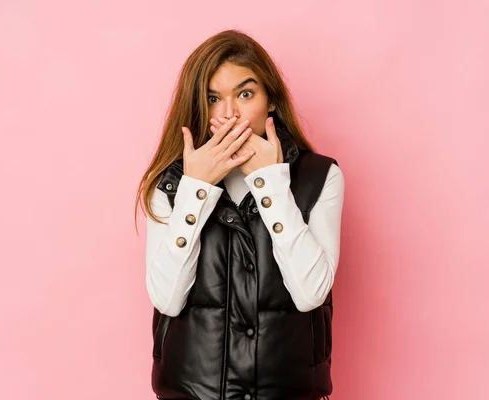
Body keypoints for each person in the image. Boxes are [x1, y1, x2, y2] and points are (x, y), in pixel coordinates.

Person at [135, 29, 345, 400]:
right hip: (191, 391)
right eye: (213, 98)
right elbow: (166, 299)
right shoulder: (168, 184)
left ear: (271, 101)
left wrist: (271, 184)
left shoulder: (319, 177)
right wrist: (196, 189)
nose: (229, 113)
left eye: (245, 94)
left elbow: (311, 293)